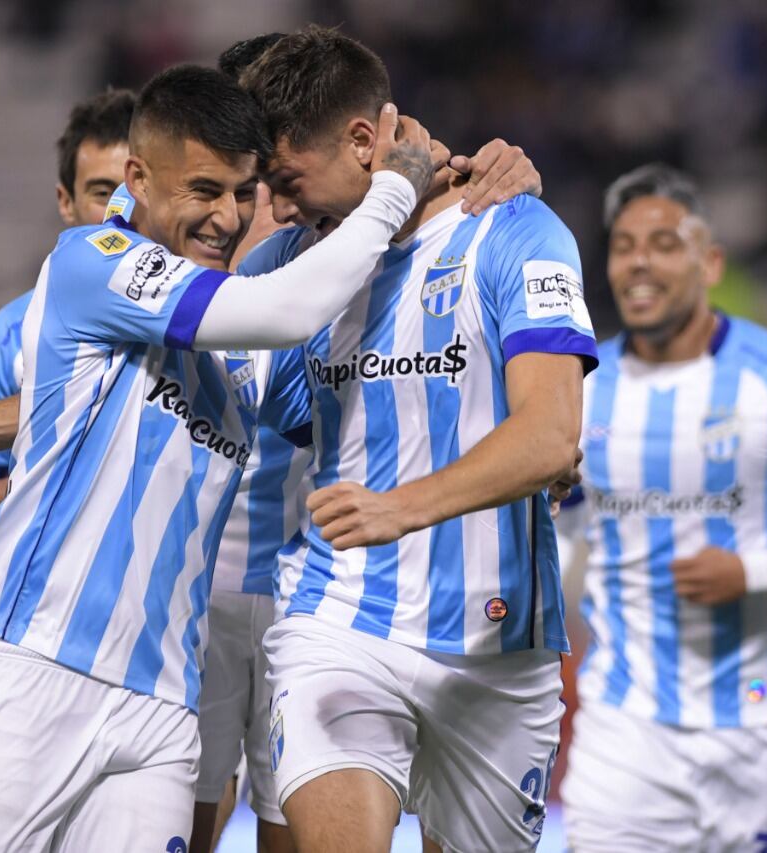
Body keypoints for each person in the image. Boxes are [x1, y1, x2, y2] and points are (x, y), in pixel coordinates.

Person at [0, 65, 440, 853]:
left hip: (164, 708)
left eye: (243, 192)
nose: (225, 216)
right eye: (203, 188)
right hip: (33, 666)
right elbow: (282, 308)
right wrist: (394, 194)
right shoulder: (92, 259)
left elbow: (365, 412)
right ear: (136, 178)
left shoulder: (238, 343)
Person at [235, 27, 598, 852]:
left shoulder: (513, 230)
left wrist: (401, 507)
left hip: (498, 648)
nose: (281, 207)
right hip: (340, 622)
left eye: (288, 179)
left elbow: (548, 436)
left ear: (364, 141)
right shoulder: (296, 268)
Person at [556, 163, 767, 852]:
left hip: (757, 727)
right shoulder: (583, 388)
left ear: (710, 261)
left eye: (662, 243)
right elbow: (563, 527)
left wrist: (753, 572)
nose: (639, 263)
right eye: (624, 246)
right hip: (623, 729)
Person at [0, 89, 135, 544]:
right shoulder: (13, 331)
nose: (117, 212)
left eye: (131, 191)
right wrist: (62, 483)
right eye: (101, 192)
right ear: (66, 202)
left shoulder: (211, 307)